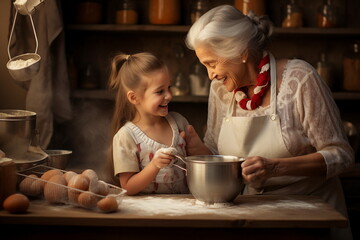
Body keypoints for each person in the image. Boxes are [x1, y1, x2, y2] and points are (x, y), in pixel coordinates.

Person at [183, 5, 354, 240]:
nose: (210, 75)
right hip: (253, 215)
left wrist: (276, 168)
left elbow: (341, 156)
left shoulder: (300, 80)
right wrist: (195, 148)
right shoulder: (220, 91)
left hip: (312, 216)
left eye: (212, 64)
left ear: (241, 52)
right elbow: (217, 153)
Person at [108, 52, 189, 195]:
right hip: (146, 214)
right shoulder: (125, 137)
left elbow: (198, 162)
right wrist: (154, 165)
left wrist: (195, 144)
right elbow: (127, 187)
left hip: (185, 210)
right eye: (160, 91)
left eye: (169, 87)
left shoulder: (179, 122)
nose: (169, 95)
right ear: (134, 97)